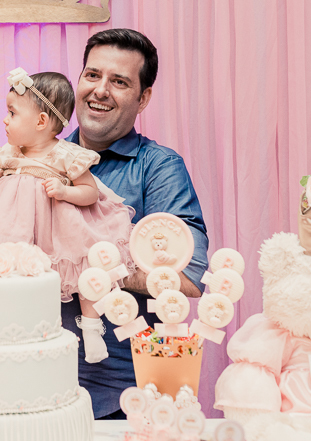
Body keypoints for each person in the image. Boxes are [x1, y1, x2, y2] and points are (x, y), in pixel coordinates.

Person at [61, 28, 210, 419]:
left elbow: (189, 279)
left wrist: (89, 268)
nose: (100, 90)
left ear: (143, 98)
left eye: (120, 82)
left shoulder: (158, 168)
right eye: (92, 75)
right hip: (35, 386)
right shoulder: (43, 158)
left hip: (126, 398)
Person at [0, 70, 135, 363]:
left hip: (61, 231)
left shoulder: (66, 154)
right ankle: (3, 327)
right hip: (16, 230)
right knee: (7, 275)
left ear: (41, 122)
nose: (5, 119)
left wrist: (65, 192)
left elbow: (90, 192)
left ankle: (91, 329)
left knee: (85, 272)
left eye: (12, 113)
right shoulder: (9, 153)